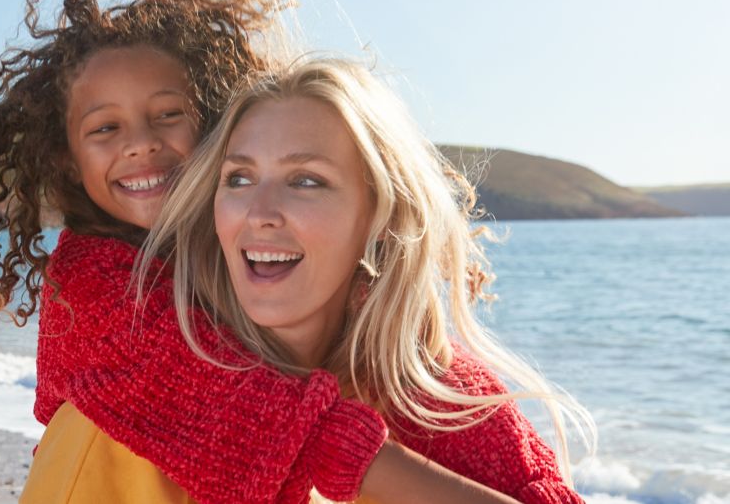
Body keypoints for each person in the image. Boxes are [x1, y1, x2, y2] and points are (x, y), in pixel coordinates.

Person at [0, 0, 578, 502]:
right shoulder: (101, 290)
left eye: (305, 178)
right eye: (243, 177)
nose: (140, 142)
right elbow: (250, 414)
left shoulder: (370, 337)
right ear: (66, 162)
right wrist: (369, 457)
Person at [140, 57, 592, 502]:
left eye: (306, 181)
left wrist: (353, 455)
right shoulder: (143, 383)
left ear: (379, 214)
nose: (259, 214)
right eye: (238, 178)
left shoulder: (447, 404)